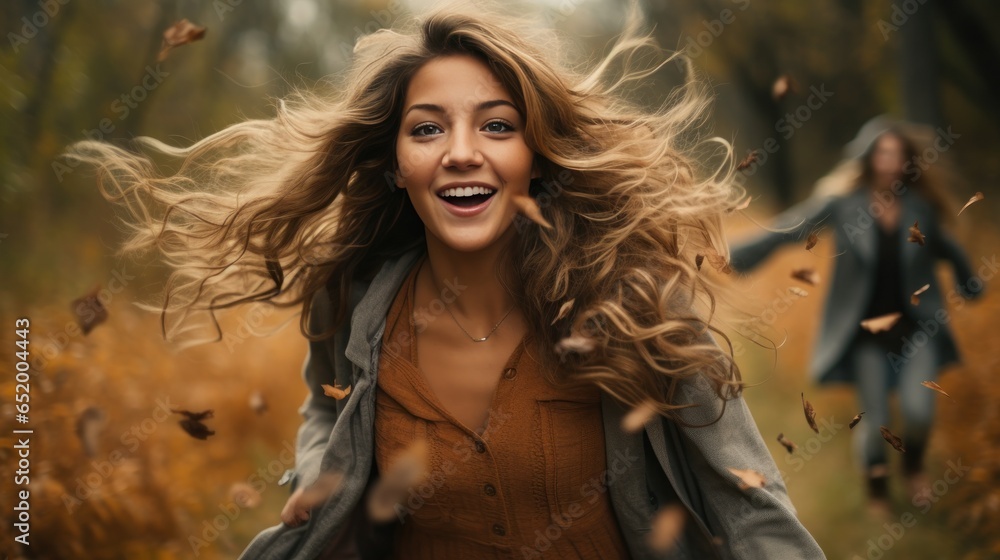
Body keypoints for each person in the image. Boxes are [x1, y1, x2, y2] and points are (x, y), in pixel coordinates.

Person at [68, 1, 825, 558]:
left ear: (538, 154)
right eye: (427, 128)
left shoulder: (632, 306)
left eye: (497, 125)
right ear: (397, 166)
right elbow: (328, 405)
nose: (461, 151)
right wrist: (317, 474)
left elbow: (750, 505)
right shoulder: (352, 301)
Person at [729, 115, 983, 516]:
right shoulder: (843, 206)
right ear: (867, 157)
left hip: (917, 331)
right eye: (882, 152)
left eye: (897, 154)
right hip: (865, 334)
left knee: (919, 412)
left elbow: (947, 248)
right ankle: (878, 492)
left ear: (907, 162)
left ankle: (913, 467)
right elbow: (790, 227)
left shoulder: (920, 208)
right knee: (876, 417)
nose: (889, 161)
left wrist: (970, 282)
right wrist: (739, 256)